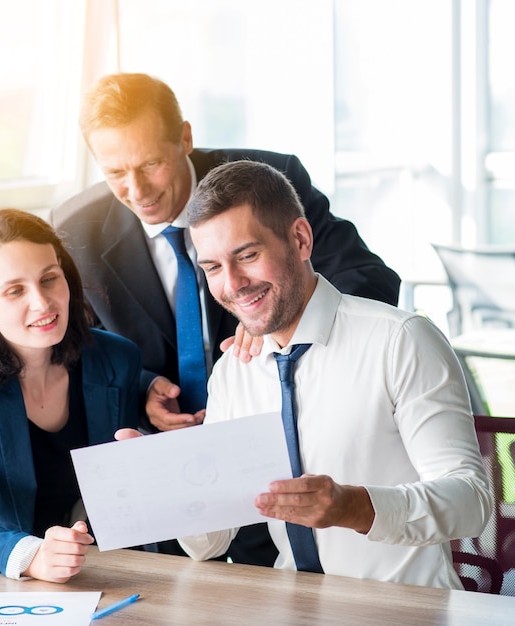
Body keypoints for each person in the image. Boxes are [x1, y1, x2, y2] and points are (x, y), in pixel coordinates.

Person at [50, 72, 401, 567]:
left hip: (284, 451)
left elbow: (370, 279)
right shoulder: (74, 229)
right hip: (171, 471)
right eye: (115, 173)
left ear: (185, 139)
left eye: (151, 163)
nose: (137, 189)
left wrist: (279, 314)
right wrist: (143, 385)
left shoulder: (269, 182)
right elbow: (84, 344)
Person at [168, 159, 491, 588]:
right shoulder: (234, 372)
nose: (232, 284)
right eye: (212, 268)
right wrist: (169, 481)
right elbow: (208, 544)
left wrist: (356, 508)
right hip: (292, 607)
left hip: (405, 609)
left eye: (247, 255)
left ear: (300, 239)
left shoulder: (400, 340)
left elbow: (472, 500)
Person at [0, 208, 142, 583]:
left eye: (50, 278)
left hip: (84, 564)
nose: (43, 302)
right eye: (15, 290)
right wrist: (32, 557)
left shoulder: (119, 359)